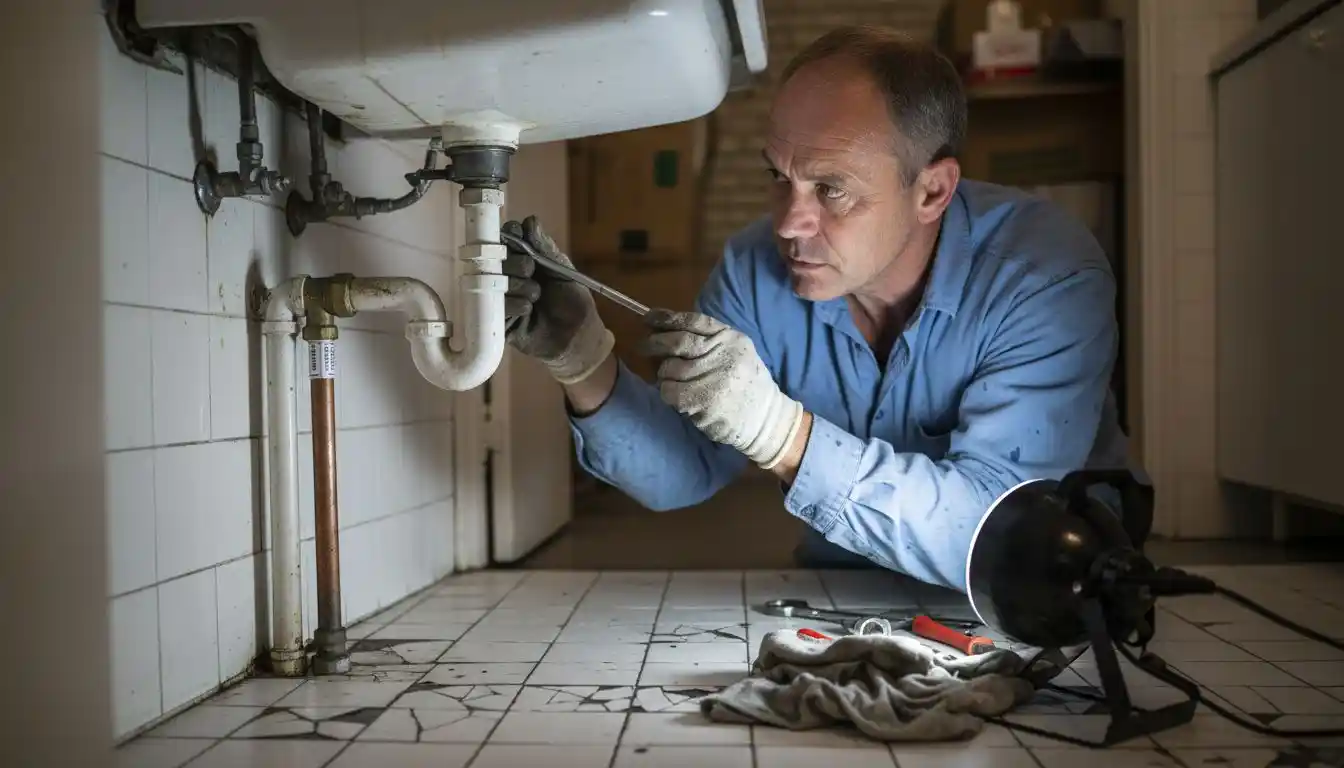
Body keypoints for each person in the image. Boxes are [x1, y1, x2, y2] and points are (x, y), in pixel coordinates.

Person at [498, 25, 1137, 593]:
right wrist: (583, 358)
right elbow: (685, 472)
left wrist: (783, 436)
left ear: (932, 191)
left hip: (1045, 587)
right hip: (849, 581)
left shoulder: (1044, 275)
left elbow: (1001, 527)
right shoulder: (754, 269)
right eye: (780, 177)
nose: (789, 224)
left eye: (830, 188)